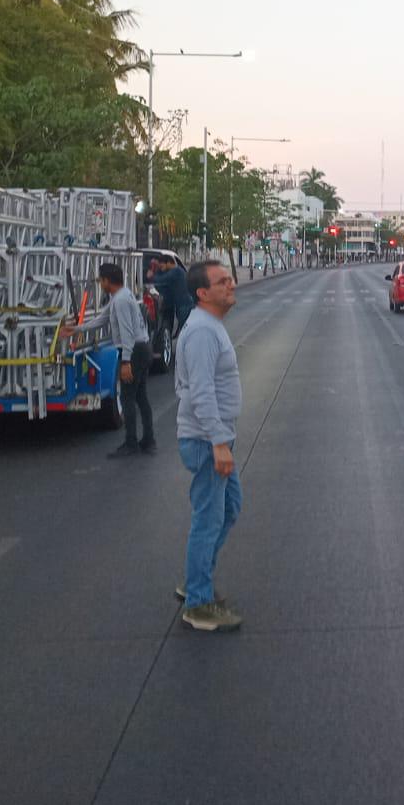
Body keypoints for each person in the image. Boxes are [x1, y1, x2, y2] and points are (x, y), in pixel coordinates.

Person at [175, 259, 243, 632]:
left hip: (214, 437)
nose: (231, 285)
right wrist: (218, 442)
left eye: (230, 279)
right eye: (222, 282)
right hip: (205, 441)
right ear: (203, 293)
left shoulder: (209, 326)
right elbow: (200, 391)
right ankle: (198, 603)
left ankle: (195, 578)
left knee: (230, 508)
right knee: (208, 519)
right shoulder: (203, 331)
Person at [101, 262, 155, 458]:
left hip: (134, 351)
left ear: (107, 280)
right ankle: (148, 440)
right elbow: (103, 318)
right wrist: (78, 329)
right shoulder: (123, 295)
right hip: (142, 348)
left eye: (101, 280)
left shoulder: (121, 300)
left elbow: (127, 333)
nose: (100, 283)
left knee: (128, 398)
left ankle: (131, 442)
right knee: (140, 396)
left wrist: (125, 362)